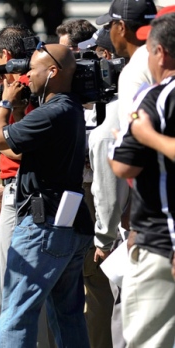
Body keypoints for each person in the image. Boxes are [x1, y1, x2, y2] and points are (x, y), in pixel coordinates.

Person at [0, 43, 94, 347]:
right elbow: (20, 149)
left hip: (42, 226)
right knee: (68, 316)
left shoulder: (52, 111)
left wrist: (5, 104)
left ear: (53, 71)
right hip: (70, 223)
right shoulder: (70, 108)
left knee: (16, 313)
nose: (27, 75)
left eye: (33, 68)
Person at [109, 11, 175, 348]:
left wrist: (143, 135)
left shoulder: (158, 96)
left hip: (162, 241)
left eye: (148, 50)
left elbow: (123, 167)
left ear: (160, 53)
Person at [79, 26, 129, 348]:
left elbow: (109, 191)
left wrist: (104, 237)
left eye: (94, 56)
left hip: (138, 228)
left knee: (128, 318)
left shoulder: (112, 113)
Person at [96, 0, 157, 124]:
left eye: (110, 25)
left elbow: (135, 129)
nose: (108, 31)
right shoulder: (165, 56)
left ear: (121, 27)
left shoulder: (133, 70)